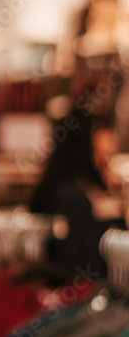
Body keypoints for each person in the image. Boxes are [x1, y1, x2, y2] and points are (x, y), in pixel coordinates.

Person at [29, 105, 125, 280]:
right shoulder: (71, 196)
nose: (107, 141)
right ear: (84, 142)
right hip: (83, 294)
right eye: (98, 131)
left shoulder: (73, 188)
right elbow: (85, 264)